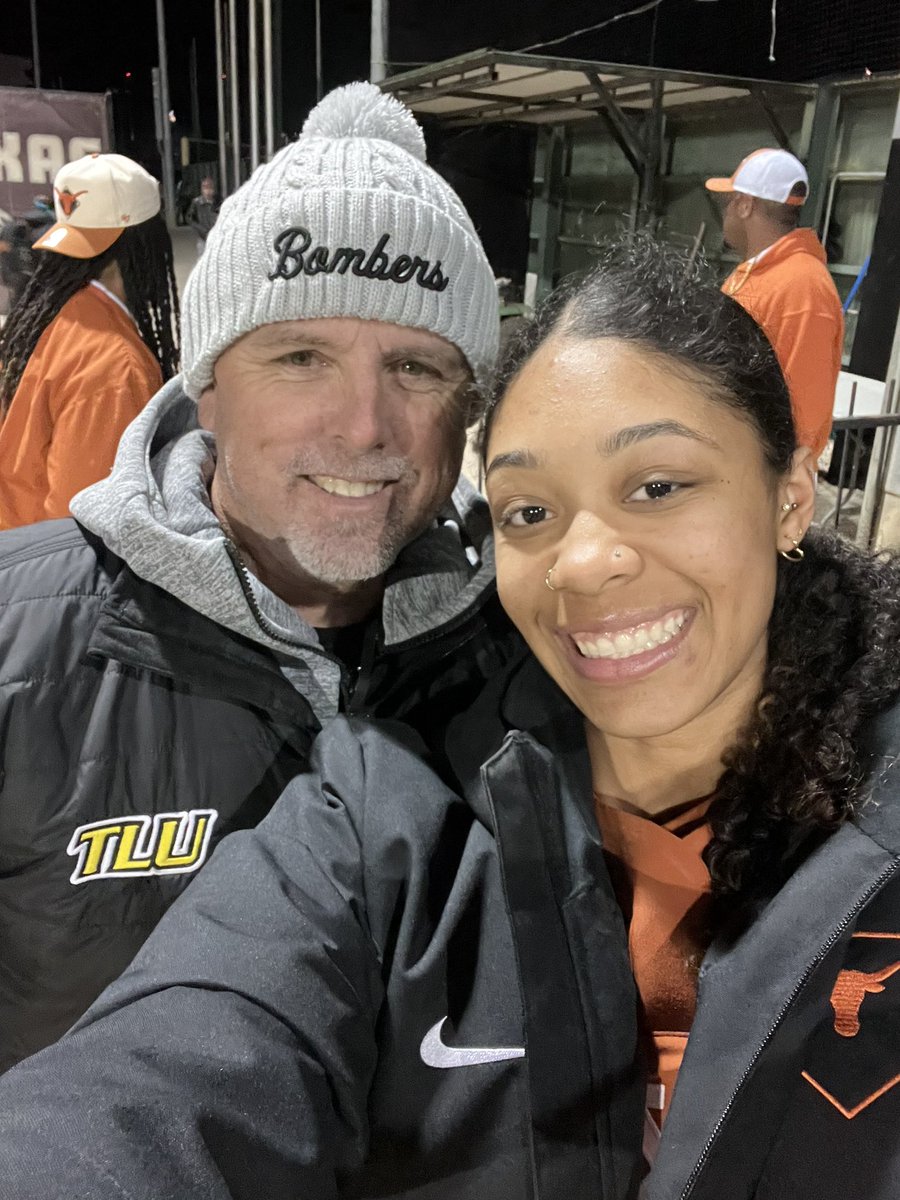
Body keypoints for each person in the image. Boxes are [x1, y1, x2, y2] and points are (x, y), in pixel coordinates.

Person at [1, 236, 899, 1199]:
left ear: (790, 497)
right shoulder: (393, 804)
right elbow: (164, 1077)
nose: (585, 561)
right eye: (528, 512)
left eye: (657, 487)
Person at [0, 82, 512, 1073]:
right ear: (208, 387)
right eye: (302, 356)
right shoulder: (18, 657)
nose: (364, 428)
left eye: (417, 368)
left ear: (469, 408)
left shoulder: (535, 657)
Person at [0, 154, 179, 528]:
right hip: (40, 571)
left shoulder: (51, 314)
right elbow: (83, 529)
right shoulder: (115, 367)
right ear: (146, 244)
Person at [706, 147, 844, 459]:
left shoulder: (802, 286)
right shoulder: (753, 275)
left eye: (730, 202)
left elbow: (804, 410)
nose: (725, 213)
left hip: (764, 479)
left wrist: (781, 491)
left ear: (744, 205)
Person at [0, 196, 53, 310]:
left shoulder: (11, 227)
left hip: (16, 275)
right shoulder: (53, 227)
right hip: (39, 280)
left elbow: (3, 247)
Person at [187, 174, 219, 255]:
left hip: (217, 236)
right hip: (203, 237)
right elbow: (190, 218)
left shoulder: (219, 201)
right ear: (201, 189)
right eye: (205, 187)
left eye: (210, 186)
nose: (207, 190)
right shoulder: (197, 202)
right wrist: (202, 230)